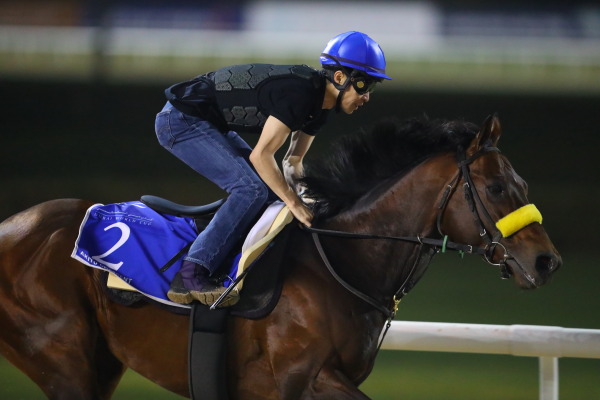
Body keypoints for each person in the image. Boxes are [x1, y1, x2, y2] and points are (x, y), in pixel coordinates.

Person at [155, 31, 391, 307]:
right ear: (340, 78)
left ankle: (219, 247)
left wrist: (305, 199)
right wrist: (293, 203)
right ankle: (192, 272)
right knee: (251, 189)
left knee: (266, 191)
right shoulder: (302, 94)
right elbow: (262, 156)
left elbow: (292, 161)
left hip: (208, 123)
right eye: (364, 85)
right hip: (181, 121)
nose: (367, 97)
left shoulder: (320, 106)